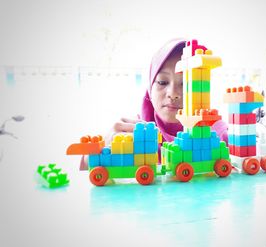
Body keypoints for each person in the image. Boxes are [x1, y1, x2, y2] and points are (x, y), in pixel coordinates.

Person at [80, 38, 228, 170]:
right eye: (162, 82)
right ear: (150, 89)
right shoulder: (131, 133)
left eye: (186, 84)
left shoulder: (218, 135)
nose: (173, 93)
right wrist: (99, 152)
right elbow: (85, 175)